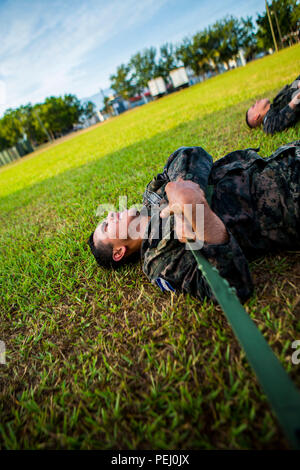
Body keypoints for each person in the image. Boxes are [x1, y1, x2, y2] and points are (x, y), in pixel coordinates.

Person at [88, 142, 300, 303]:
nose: (110, 216)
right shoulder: (159, 260)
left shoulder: (151, 195)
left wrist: (188, 189)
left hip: (286, 157)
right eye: (106, 227)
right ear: (118, 252)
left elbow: (189, 153)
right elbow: (232, 289)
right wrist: (198, 212)